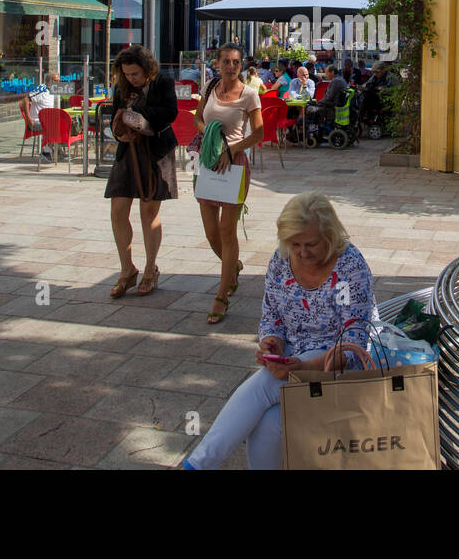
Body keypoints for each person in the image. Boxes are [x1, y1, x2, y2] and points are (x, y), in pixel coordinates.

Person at [182, 192, 376, 470]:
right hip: (292, 363)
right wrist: (271, 343)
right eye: (295, 243)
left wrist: (306, 367)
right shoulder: (282, 260)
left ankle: (198, 464)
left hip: (335, 368)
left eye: (311, 244)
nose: (302, 252)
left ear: (330, 236)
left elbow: (355, 343)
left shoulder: (350, 266)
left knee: (263, 388)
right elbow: (272, 313)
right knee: (268, 424)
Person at [194, 42, 264, 323]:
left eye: (236, 62)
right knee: (211, 232)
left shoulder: (249, 95)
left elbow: (258, 133)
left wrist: (232, 149)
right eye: (226, 62)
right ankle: (232, 266)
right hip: (209, 161)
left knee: (226, 230)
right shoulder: (210, 87)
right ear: (217, 63)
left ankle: (222, 294)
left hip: (234, 164)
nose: (231, 67)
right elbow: (199, 118)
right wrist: (208, 131)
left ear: (241, 64)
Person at [104, 45, 179, 298]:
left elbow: (170, 113)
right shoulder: (121, 87)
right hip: (128, 151)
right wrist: (121, 126)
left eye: (135, 74)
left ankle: (150, 268)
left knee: (148, 211)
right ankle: (127, 269)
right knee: (117, 210)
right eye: (126, 74)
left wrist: (136, 113)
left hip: (156, 151)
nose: (130, 79)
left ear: (148, 69)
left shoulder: (163, 83)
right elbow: (114, 112)